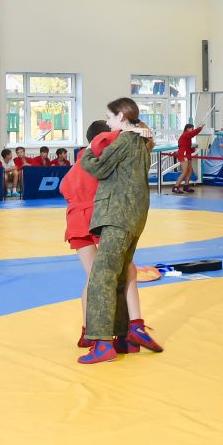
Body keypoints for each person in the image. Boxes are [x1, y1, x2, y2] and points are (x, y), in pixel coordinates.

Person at [62, 119, 158, 355]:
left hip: (75, 218)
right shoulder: (102, 151)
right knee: (127, 270)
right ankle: (135, 326)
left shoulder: (81, 161)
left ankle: (88, 332)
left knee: (94, 277)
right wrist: (134, 129)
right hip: (96, 215)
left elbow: (64, 186)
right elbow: (123, 137)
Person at [171, 122, 203, 194]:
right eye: (192, 128)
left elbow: (187, 146)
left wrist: (192, 150)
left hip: (186, 154)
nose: (193, 129)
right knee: (185, 171)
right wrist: (200, 128)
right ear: (188, 129)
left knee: (190, 171)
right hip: (183, 154)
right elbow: (194, 133)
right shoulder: (186, 134)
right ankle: (176, 187)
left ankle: (186, 186)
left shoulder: (188, 136)